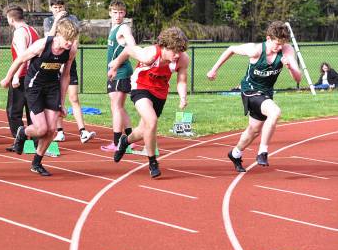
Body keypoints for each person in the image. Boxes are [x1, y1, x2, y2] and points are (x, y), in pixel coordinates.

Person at [207, 21, 302, 171]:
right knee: (275, 112)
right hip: (249, 90)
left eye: (282, 44)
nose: (279, 47)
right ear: (268, 38)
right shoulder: (255, 50)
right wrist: (213, 70)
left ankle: (235, 153)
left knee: (254, 130)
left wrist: (289, 67)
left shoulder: (287, 50)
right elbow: (231, 49)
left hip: (266, 93)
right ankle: (262, 152)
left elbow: (298, 78)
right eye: (277, 44)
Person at [1, 18, 79, 176]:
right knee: (42, 128)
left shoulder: (70, 51)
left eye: (72, 40)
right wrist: (8, 78)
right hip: (34, 86)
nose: (70, 43)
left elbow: (65, 76)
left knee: (51, 130)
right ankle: (22, 132)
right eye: (67, 40)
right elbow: (20, 59)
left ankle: (36, 163)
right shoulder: (43, 45)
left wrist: (61, 103)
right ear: (58, 35)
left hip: (52, 87)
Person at [109, 27, 190, 178]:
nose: (177, 55)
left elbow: (182, 81)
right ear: (164, 46)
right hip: (141, 87)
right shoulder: (150, 54)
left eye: (180, 51)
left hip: (160, 93)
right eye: (174, 51)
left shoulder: (183, 59)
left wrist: (183, 97)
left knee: (142, 130)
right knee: (151, 122)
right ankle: (152, 162)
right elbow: (127, 50)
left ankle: (125, 140)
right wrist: (115, 66)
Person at [43, 0, 96, 143]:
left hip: (68, 63)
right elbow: (49, 38)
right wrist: (56, 20)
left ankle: (83, 131)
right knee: (57, 99)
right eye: (55, 7)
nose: (58, 9)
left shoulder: (72, 18)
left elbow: (75, 40)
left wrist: (69, 57)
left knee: (74, 97)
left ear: (64, 7)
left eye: (60, 7)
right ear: (51, 8)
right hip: (53, 63)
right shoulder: (48, 21)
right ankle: (59, 131)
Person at [101, 0, 137, 152]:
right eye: (115, 12)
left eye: (121, 12)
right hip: (115, 72)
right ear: (110, 13)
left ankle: (117, 143)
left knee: (116, 107)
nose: (118, 15)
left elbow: (132, 46)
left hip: (121, 72)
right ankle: (131, 139)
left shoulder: (123, 28)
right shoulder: (114, 28)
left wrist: (116, 63)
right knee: (118, 107)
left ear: (125, 13)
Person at [4, 5, 37, 151]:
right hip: (34, 75)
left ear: (11, 19)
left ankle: (20, 140)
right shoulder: (33, 30)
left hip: (23, 75)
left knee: (13, 111)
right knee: (32, 110)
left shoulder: (19, 33)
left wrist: (16, 76)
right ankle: (36, 140)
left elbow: (24, 56)